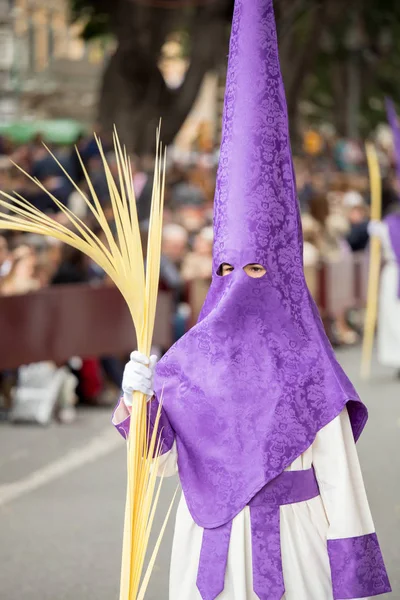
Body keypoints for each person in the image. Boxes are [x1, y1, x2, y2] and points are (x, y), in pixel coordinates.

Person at [113, 1, 391, 599]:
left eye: (259, 267)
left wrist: (352, 578)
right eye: (228, 268)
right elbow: (159, 462)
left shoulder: (312, 367)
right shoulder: (188, 360)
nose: (242, 282)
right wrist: (139, 399)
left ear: (286, 275)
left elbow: (341, 483)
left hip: (291, 551)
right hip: (205, 554)